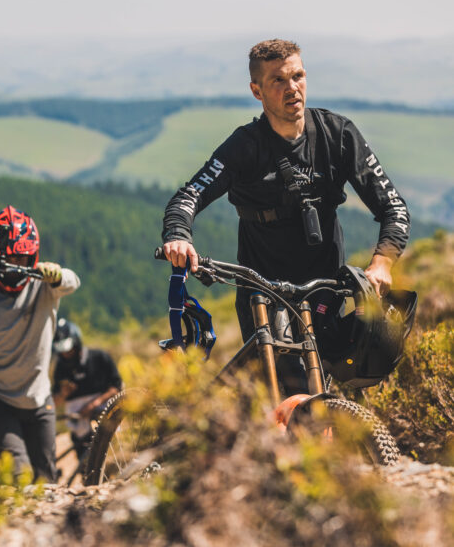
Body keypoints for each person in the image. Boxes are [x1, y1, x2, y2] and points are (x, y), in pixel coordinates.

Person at [161, 39, 410, 392]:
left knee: (340, 393)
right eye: (278, 80)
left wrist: (383, 262)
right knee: (287, 392)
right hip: (262, 295)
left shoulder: (338, 135)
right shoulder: (244, 146)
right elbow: (189, 196)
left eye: (298, 76)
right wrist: (178, 236)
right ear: (257, 91)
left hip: (324, 291)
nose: (292, 88)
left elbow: (394, 207)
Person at [0, 205, 80, 483]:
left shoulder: (43, 283)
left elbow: (72, 281)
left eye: (23, 258)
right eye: (9, 258)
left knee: (47, 481)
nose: (17, 265)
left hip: (39, 399)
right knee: (19, 475)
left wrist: (56, 273)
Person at [51, 318, 122, 460]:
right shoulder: (60, 367)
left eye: (69, 350)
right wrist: (63, 394)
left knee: (113, 454)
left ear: (76, 343)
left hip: (105, 417)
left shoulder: (99, 358)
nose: (66, 354)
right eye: (62, 351)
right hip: (79, 427)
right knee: (85, 460)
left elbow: (117, 387)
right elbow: (53, 402)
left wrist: (94, 404)